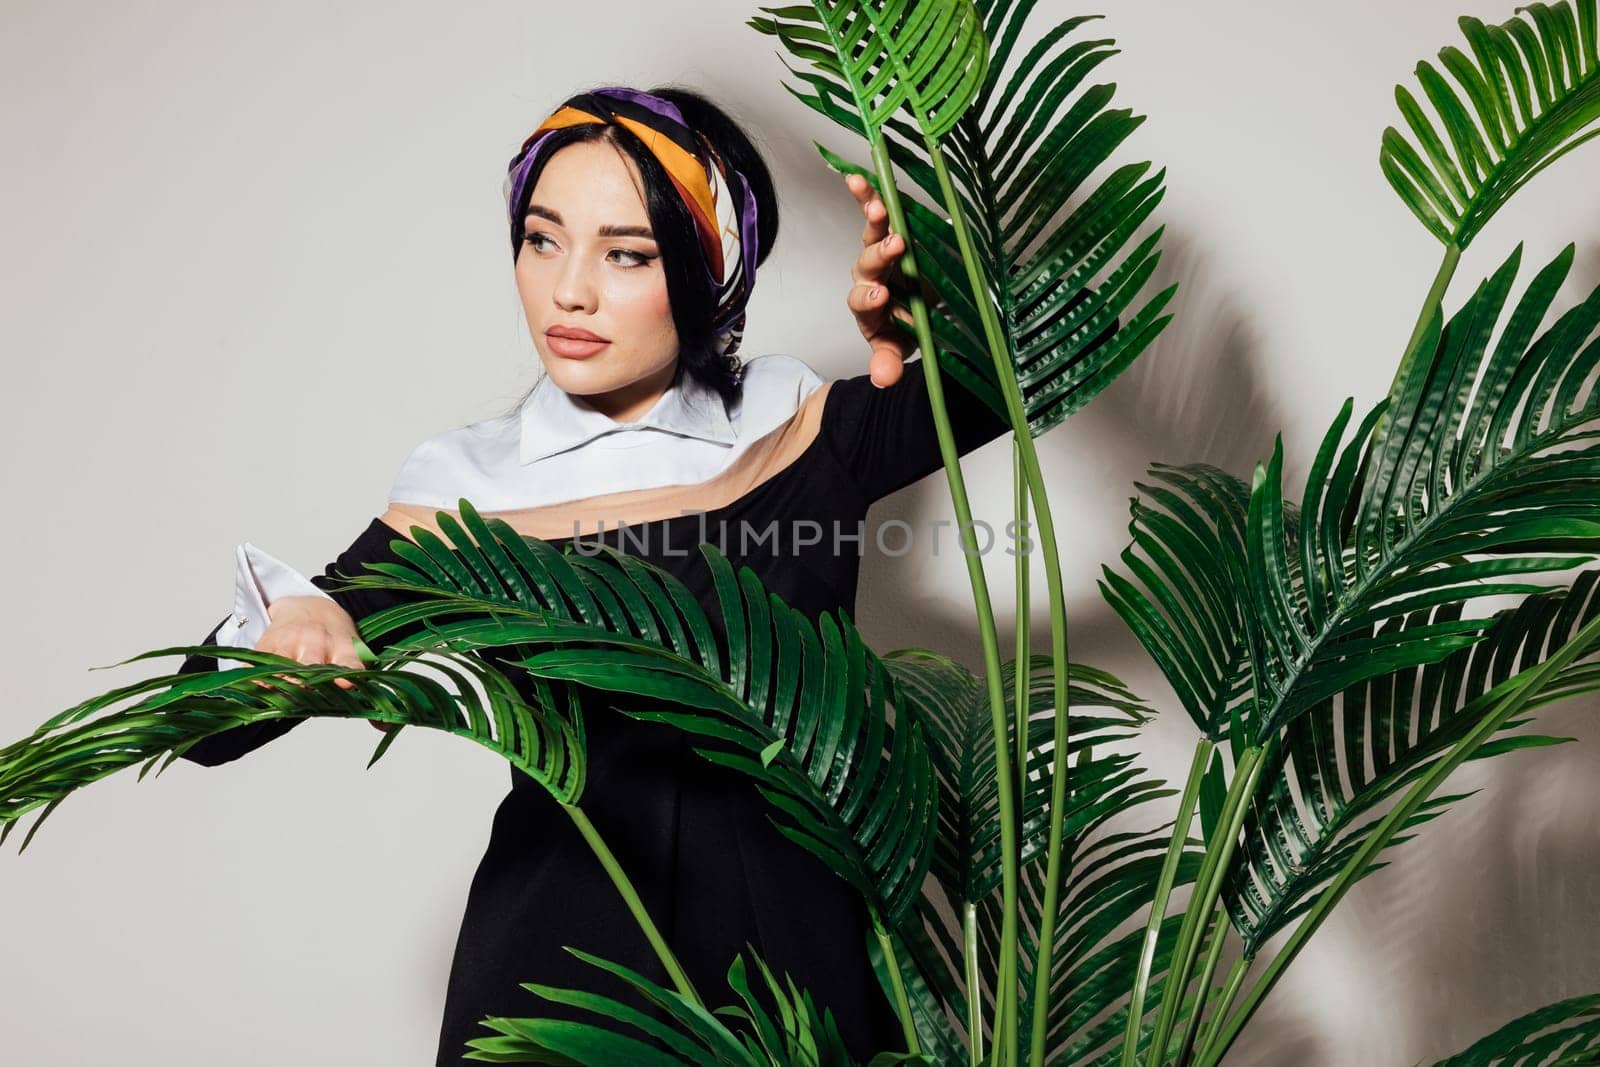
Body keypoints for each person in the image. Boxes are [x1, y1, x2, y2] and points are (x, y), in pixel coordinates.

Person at [175, 84, 1013, 1064]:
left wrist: (943, 310)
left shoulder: (806, 430)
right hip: (556, 977)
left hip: (793, 969)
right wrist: (293, 625)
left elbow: (1019, 373)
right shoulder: (464, 487)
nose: (569, 290)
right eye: (542, 239)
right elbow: (206, 723)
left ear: (708, 271)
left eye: (627, 253)